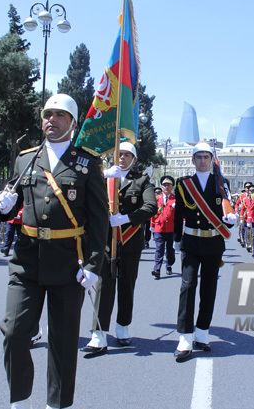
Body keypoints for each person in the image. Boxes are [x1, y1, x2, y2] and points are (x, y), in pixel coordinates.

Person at [0, 93, 108, 409]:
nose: (52, 120)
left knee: (62, 341)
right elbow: (12, 201)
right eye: (48, 114)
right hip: (27, 260)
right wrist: (3, 208)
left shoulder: (87, 163)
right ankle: (18, 400)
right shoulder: (25, 158)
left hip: (69, 262)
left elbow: (99, 219)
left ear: (72, 123)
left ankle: (56, 405)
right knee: (15, 333)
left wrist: (94, 265)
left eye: (60, 115)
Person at [83, 141, 157, 353]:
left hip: (130, 242)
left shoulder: (141, 180)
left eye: (127, 155)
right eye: (119, 154)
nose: (122, 158)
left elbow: (151, 206)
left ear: (134, 160)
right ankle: (98, 332)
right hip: (105, 242)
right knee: (103, 286)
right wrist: (103, 176)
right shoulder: (102, 177)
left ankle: (123, 326)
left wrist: (126, 218)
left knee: (126, 286)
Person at [172, 142, 237, 360]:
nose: (202, 160)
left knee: (209, 288)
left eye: (206, 157)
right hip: (191, 242)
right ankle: (185, 336)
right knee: (188, 286)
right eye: (198, 157)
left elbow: (226, 211)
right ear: (193, 160)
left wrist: (231, 220)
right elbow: (178, 214)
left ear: (211, 160)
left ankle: (202, 332)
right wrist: (176, 240)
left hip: (214, 243)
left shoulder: (221, 183)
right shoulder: (183, 184)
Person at [151, 176, 176, 279]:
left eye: (168, 185)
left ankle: (169, 264)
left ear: (172, 187)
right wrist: (152, 226)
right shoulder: (156, 199)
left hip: (171, 229)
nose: (166, 187)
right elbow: (153, 213)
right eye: (164, 185)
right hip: (159, 228)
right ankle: (157, 269)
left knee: (170, 250)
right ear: (161, 187)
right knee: (159, 249)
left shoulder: (176, 199)